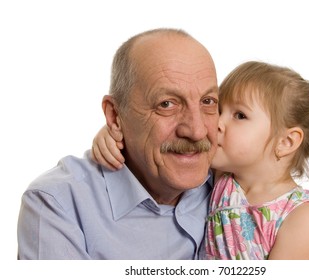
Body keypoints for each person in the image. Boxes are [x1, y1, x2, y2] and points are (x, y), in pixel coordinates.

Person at [93, 61, 309, 259]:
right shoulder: (221, 178)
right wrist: (114, 133)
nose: (217, 124)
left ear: (286, 142)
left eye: (239, 116)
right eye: (219, 109)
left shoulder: (301, 217)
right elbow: (164, 148)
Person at [17, 28, 220, 259]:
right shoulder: (58, 203)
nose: (196, 131)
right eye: (166, 104)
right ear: (114, 116)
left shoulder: (233, 178)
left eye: (208, 101)